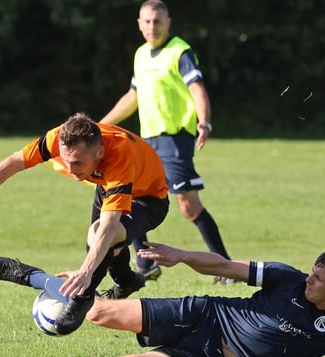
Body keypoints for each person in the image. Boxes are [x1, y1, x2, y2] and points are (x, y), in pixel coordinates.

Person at [0, 242, 325, 357]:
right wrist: (181, 255)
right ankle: (31, 276)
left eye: (318, 279)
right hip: (206, 314)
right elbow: (224, 265)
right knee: (96, 313)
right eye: (311, 271)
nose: (308, 279)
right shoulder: (284, 276)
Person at [0, 113, 169, 335]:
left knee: (101, 236)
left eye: (77, 162)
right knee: (104, 245)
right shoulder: (58, 137)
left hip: (149, 200)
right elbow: (15, 161)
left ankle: (82, 298)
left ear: (99, 152)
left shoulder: (119, 155)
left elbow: (109, 226)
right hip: (107, 186)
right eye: (65, 160)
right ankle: (127, 281)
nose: (70, 170)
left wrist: (84, 272)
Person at [100, 0, 234, 284]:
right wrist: (102, 125)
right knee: (130, 197)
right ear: (139, 24)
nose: (152, 27)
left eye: (157, 21)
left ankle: (226, 268)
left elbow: (197, 88)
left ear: (168, 22)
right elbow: (133, 96)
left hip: (174, 140)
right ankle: (145, 264)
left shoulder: (179, 51)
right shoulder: (140, 55)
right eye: (147, 21)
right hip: (147, 142)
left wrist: (204, 121)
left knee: (189, 207)